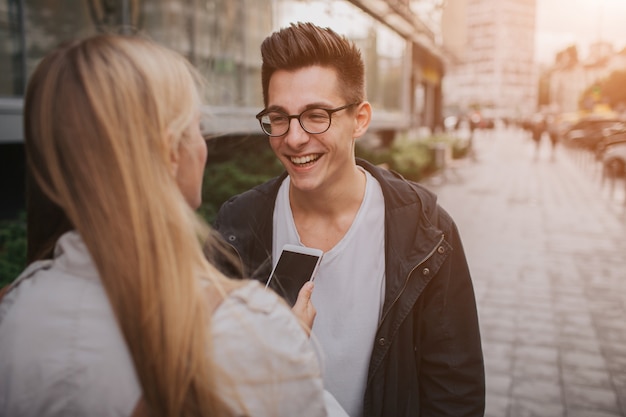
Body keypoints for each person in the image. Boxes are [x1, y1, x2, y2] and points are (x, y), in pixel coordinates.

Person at [0, 33, 347, 417]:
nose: (295, 138)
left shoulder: (16, 311)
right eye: (196, 129)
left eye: (315, 115)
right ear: (170, 153)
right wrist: (282, 352)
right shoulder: (247, 331)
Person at [214, 22, 485, 417]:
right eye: (279, 117)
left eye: (316, 115)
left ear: (360, 119)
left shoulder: (426, 231)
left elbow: (455, 392)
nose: (293, 138)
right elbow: (203, 372)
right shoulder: (238, 224)